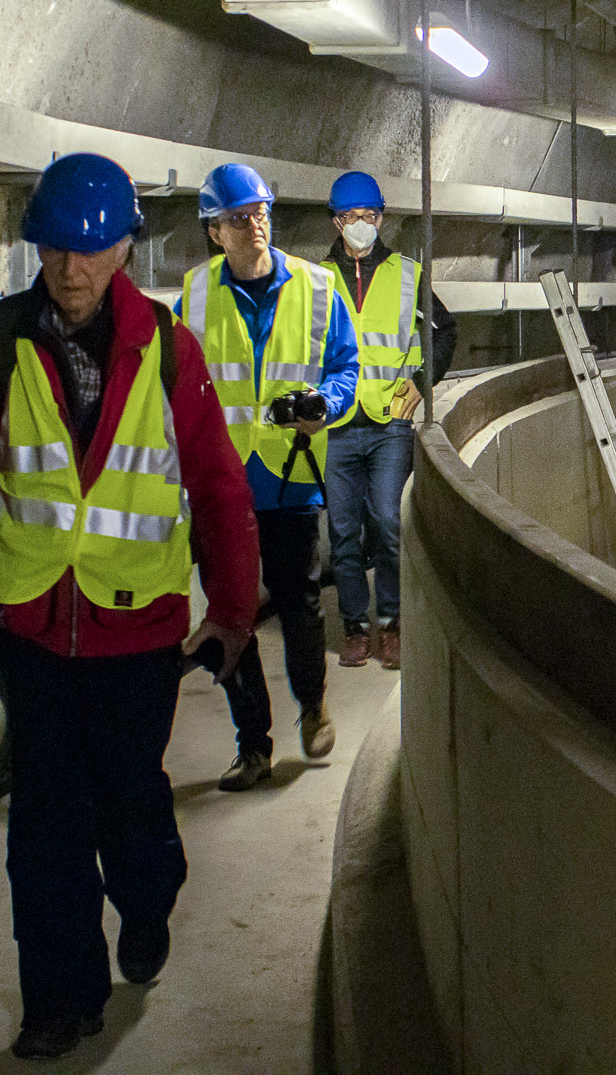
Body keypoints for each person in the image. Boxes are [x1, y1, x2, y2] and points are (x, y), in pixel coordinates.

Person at [0, 153, 260, 1062]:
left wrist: (230, 607)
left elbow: (220, 487)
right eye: (56, 248)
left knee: (132, 809)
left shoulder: (170, 346)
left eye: (93, 249)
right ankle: (56, 1002)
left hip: (137, 625)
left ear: (124, 249)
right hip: (33, 626)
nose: (72, 269)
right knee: (45, 827)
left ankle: (147, 903)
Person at [178, 162, 359, 791]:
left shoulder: (317, 285)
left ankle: (313, 706)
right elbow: (181, 387)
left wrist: (325, 406)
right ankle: (251, 745)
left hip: (289, 473)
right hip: (223, 484)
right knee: (230, 617)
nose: (253, 225)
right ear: (214, 232)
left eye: (259, 213)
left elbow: (345, 365)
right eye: (237, 218)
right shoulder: (195, 296)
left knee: (299, 605)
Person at [320, 171, 457, 670]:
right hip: (335, 425)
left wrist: (423, 382)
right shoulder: (316, 279)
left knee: (387, 522)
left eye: (371, 216)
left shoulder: (406, 272)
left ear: (382, 218)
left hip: (389, 423)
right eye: (352, 217)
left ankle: (392, 624)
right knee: (342, 530)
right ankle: (355, 627)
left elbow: (445, 331)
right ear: (337, 221)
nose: (362, 225)